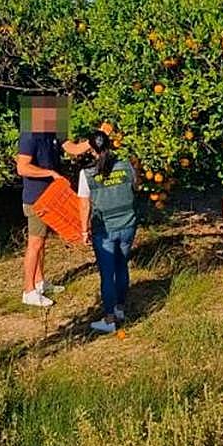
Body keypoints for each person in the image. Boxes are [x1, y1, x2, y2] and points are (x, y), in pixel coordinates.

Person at [17, 122, 91, 307]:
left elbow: (73, 149)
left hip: (52, 198)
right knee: (35, 243)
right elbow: (23, 167)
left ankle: (40, 282)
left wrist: (96, 139)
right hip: (37, 200)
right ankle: (29, 291)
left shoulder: (55, 132)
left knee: (42, 243)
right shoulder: (30, 135)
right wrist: (50, 173)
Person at [78, 130, 138, 334]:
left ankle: (110, 319)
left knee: (107, 274)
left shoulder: (87, 173)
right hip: (128, 224)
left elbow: (84, 206)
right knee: (122, 267)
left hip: (104, 230)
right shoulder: (127, 165)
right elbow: (134, 187)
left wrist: (84, 230)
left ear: (91, 149)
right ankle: (120, 308)